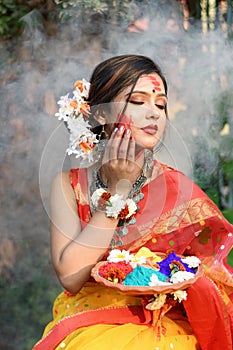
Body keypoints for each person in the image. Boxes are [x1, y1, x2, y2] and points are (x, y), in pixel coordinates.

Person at [34, 54, 233, 350]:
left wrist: (171, 277)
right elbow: (71, 276)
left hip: (165, 321)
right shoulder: (69, 185)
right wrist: (118, 190)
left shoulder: (179, 190)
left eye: (161, 104)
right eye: (138, 102)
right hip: (90, 321)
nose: (153, 113)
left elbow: (215, 277)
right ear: (101, 114)